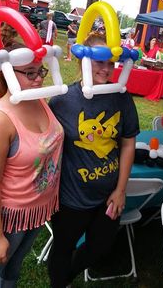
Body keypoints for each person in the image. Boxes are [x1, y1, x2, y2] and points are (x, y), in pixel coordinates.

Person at [47, 32, 140, 288]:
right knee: (63, 248)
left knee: (101, 246)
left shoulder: (121, 97)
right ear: (83, 61)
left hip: (108, 195)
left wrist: (121, 190)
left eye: (111, 63)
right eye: (101, 62)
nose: (107, 69)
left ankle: (66, 276)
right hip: (71, 198)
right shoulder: (63, 100)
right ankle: (59, 282)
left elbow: (128, 142)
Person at [0, 43, 64, 288]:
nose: (38, 79)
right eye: (29, 73)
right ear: (7, 73)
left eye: (40, 71)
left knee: (15, 262)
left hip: (38, 207)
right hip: (8, 214)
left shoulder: (39, 99)